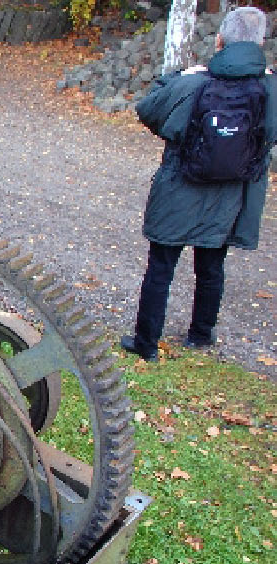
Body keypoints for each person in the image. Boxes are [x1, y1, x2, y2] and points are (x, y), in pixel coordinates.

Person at [122, 6, 276, 362]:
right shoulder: (270, 87)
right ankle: (201, 335)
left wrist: (179, 74)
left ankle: (146, 343)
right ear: (260, 43)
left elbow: (149, 109)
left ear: (220, 40)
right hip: (231, 194)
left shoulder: (193, 81)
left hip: (179, 186)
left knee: (161, 267)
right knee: (211, 266)